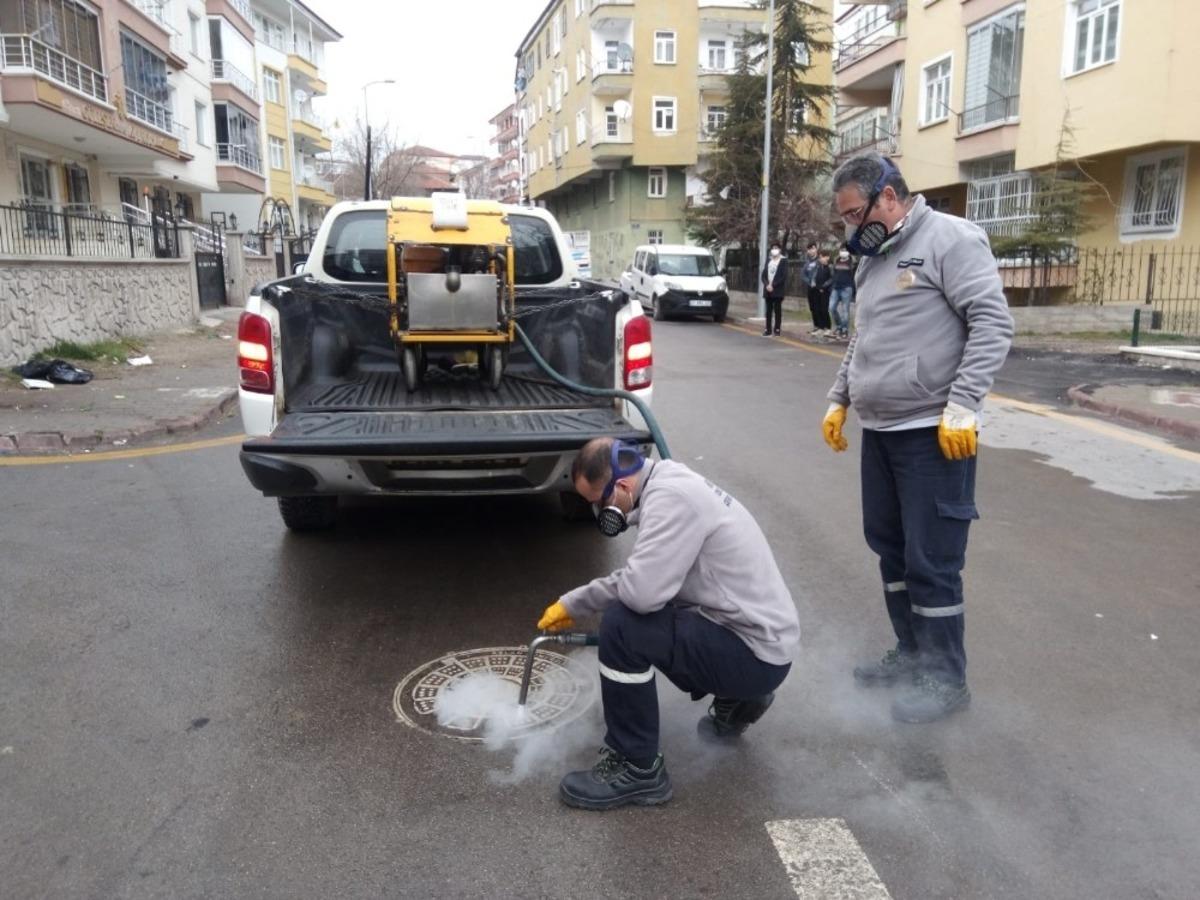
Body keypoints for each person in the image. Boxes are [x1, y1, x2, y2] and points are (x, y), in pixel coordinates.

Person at [821, 151, 1013, 723]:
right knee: (891, 548)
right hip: (881, 432)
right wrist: (839, 398)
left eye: (854, 214)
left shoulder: (952, 240)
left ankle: (945, 678)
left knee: (933, 559)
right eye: (844, 219)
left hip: (933, 432)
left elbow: (992, 323)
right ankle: (911, 655)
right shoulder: (874, 258)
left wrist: (963, 404)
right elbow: (863, 338)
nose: (850, 228)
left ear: (888, 195)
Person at [538, 438, 800, 810]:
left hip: (754, 653)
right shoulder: (669, 483)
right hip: (762, 644)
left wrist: (582, 601)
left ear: (622, 486)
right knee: (653, 614)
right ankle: (741, 699)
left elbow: (641, 594)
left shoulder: (672, 501)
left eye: (598, 501)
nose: (598, 512)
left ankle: (637, 767)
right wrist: (575, 601)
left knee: (622, 627)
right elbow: (646, 577)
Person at [801, 242, 830, 336]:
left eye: (813, 248)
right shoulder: (807, 262)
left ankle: (824, 326)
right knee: (813, 308)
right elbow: (803, 275)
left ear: (816, 249)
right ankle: (816, 326)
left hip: (820, 288)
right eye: (809, 249)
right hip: (811, 288)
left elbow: (826, 274)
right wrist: (809, 283)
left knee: (821, 308)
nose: (811, 251)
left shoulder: (820, 260)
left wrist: (820, 285)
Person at [760, 242, 788, 336]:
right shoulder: (769, 260)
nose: (774, 250)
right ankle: (768, 329)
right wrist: (767, 285)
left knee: (777, 310)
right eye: (773, 248)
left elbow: (783, 276)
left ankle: (777, 329)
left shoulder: (783, 261)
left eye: (776, 248)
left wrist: (773, 285)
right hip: (768, 289)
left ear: (779, 249)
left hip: (777, 290)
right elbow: (763, 275)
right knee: (768, 311)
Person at [829, 246, 856, 340]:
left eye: (845, 250)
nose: (843, 252)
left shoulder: (852, 262)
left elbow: (854, 275)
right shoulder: (836, 260)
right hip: (836, 288)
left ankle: (845, 330)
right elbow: (834, 273)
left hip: (847, 288)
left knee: (845, 310)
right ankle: (839, 326)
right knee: (832, 308)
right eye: (841, 250)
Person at [813, 250, 833, 338]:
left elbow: (831, 279)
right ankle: (820, 327)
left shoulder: (830, 267)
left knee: (824, 309)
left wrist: (823, 287)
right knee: (818, 309)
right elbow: (815, 277)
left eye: (822, 257)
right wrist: (816, 286)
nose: (821, 259)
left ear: (827, 257)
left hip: (825, 291)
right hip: (817, 290)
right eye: (820, 257)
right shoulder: (818, 267)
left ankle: (828, 327)